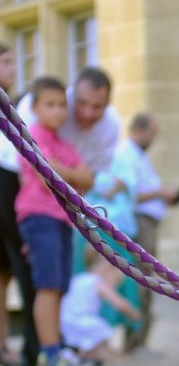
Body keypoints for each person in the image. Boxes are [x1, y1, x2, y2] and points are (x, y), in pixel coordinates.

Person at [15, 77, 94, 366]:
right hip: (39, 217)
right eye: (50, 105)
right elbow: (47, 179)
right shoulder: (31, 137)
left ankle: (56, 347)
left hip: (62, 220)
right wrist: (66, 174)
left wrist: (62, 171)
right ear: (35, 108)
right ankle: (48, 352)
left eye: (62, 105)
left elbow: (88, 178)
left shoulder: (62, 144)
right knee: (47, 285)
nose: (59, 111)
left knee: (60, 286)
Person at [121, 113, 179, 352]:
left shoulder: (139, 157)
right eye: (152, 134)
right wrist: (160, 193)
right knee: (140, 281)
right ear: (139, 130)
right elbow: (132, 194)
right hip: (139, 223)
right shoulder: (127, 155)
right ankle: (135, 341)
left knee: (146, 280)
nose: (153, 140)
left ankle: (140, 339)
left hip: (149, 223)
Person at [61, 246, 140, 364]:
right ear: (107, 267)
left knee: (94, 341)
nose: (113, 286)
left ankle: (76, 357)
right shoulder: (97, 282)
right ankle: (90, 359)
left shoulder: (79, 279)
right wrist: (134, 314)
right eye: (115, 282)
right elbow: (120, 303)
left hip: (65, 322)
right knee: (103, 340)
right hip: (80, 321)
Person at [0, 44, 22, 365]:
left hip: (9, 195)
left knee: (3, 277)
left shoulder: (15, 109)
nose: (13, 67)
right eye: (5, 62)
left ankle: (3, 344)